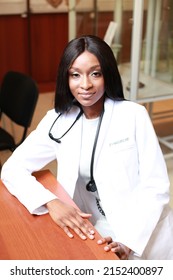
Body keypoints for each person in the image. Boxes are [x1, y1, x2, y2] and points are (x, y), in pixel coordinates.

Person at [1, 35, 173, 260]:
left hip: (141, 233)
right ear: (66, 77)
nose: (85, 85)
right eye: (75, 75)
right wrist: (51, 202)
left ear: (107, 75)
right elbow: (12, 169)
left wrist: (129, 242)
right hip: (92, 228)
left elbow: (156, 187)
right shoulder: (58, 121)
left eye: (95, 73)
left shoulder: (133, 116)